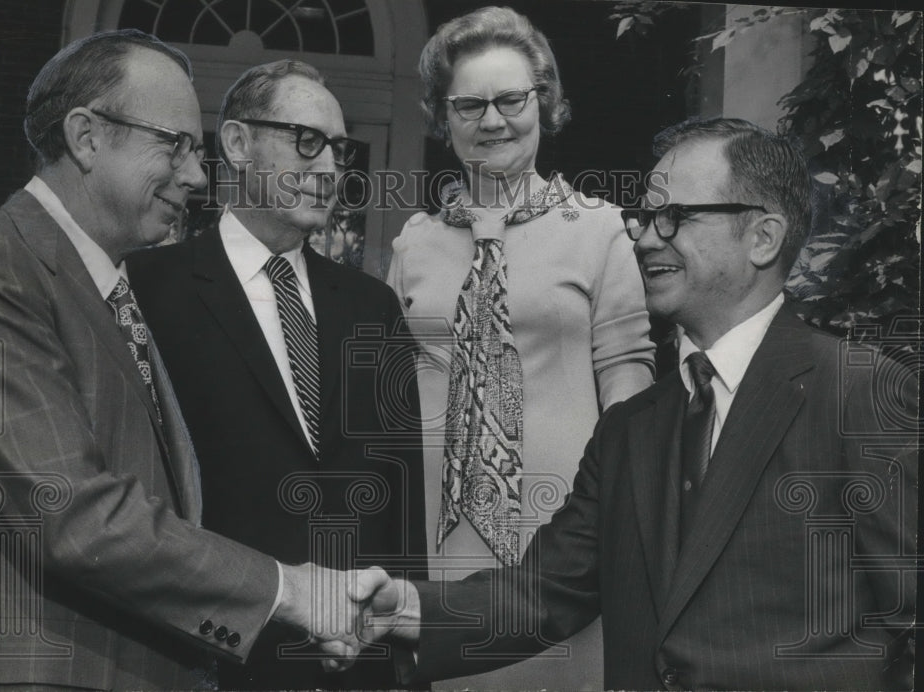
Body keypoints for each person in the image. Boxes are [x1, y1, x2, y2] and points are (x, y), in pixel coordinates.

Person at [360, 117, 918, 690]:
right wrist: (395, 608)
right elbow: (546, 593)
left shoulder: (861, 394)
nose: (646, 237)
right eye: (645, 218)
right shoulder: (630, 427)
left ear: (763, 238)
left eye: (674, 216)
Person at [0, 31, 383, 690]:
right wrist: (292, 593)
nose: (196, 176)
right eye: (175, 145)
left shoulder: (116, 288)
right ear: (87, 137)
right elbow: (69, 511)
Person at [127, 59, 428, 690]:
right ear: (237, 144)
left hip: (357, 660)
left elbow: (398, 492)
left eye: (338, 150)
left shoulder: (372, 305)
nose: (328, 169)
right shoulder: (149, 291)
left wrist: (401, 647)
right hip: (211, 658)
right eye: (306, 141)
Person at [385, 7, 654, 690]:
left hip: (561, 521)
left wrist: (623, 509)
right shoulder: (413, 241)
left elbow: (628, 379)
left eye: (512, 99)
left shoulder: (599, 231)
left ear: (547, 103)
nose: (493, 120)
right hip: (433, 520)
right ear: (443, 118)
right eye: (469, 104)